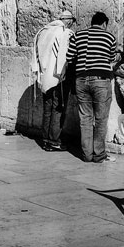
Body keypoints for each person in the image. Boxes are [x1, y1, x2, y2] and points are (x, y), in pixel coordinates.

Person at [65, 11, 119, 163]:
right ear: (104, 24)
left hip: (81, 80)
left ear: (92, 22)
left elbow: (69, 57)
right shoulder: (109, 37)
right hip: (101, 80)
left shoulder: (78, 35)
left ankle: (87, 155)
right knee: (101, 119)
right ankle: (99, 155)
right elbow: (111, 58)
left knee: (85, 118)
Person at [31, 10, 75, 152]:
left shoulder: (42, 32)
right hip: (57, 77)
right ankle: (54, 141)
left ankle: (45, 140)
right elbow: (66, 56)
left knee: (47, 108)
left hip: (44, 76)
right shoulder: (64, 33)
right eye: (72, 22)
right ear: (68, 20)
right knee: (58, 108)